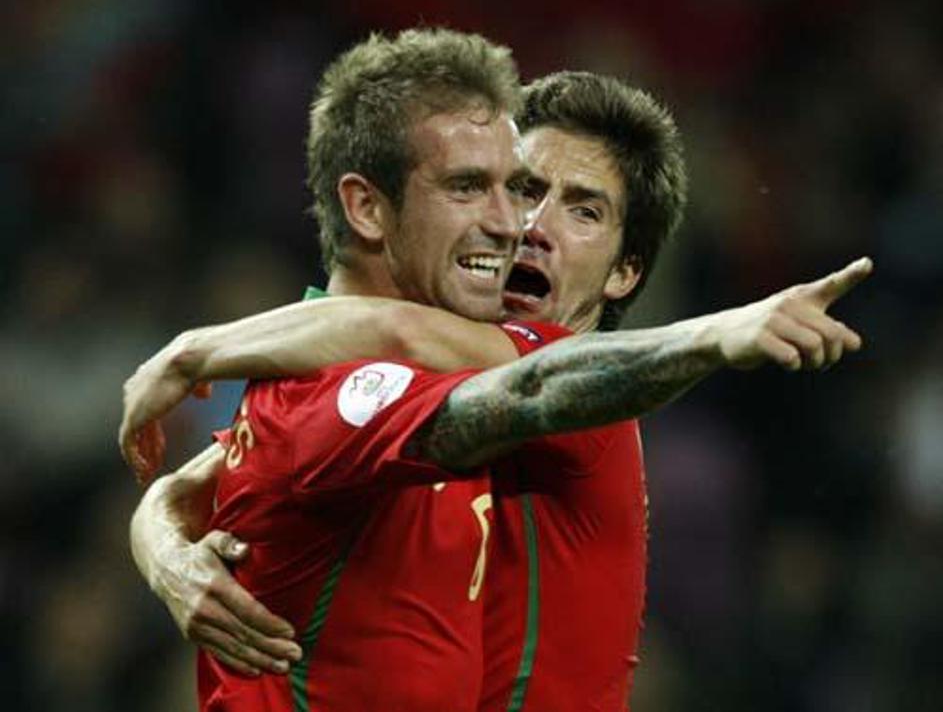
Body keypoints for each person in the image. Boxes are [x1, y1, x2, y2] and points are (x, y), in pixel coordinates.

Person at [124, 36, 871, 710]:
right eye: (520, 189)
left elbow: (502, 374)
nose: (524, 226)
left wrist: (712, 335)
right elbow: (223, 470)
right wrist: (163, 551)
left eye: (583, 211)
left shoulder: (575, 394)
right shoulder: (378, 383)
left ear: (625, 273)